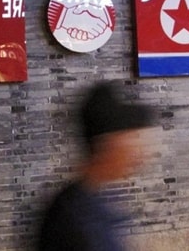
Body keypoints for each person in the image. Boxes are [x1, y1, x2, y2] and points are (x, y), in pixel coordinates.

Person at [38, 81, 157, 251]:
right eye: (133, 140)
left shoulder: (95, 199)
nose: (141, 156)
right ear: (108, 143)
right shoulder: (73, 216)